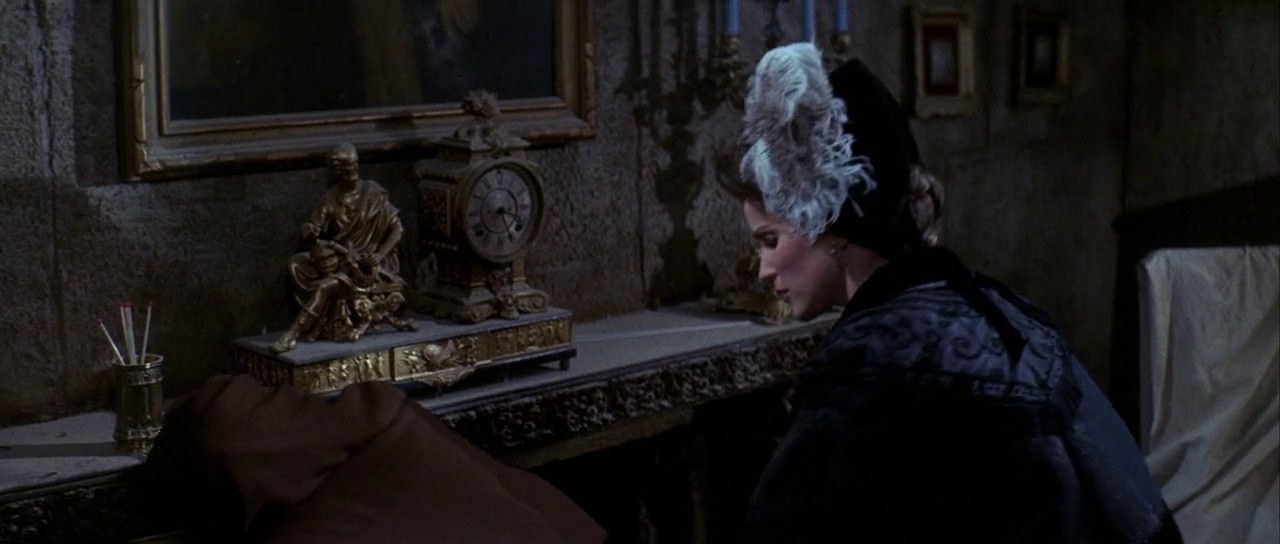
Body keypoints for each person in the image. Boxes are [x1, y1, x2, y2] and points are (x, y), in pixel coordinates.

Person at [724, 43, 1182, 543]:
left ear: (833, 227)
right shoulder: (1002, 311)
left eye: (771, 241)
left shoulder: (864, 366)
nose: (765, 270)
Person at [271, 144, 417, 353]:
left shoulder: (373, 193)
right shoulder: (330, 199)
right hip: (342, 258)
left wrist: (378, 255)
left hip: (367, 265)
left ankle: (294, 333)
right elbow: (314, 229)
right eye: (348, 166)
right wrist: (309, 232)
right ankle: (322, 318)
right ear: (337, 170)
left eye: (355, 164)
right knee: (296, 264)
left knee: (325, 286)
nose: (353, 169)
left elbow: (397, 230)